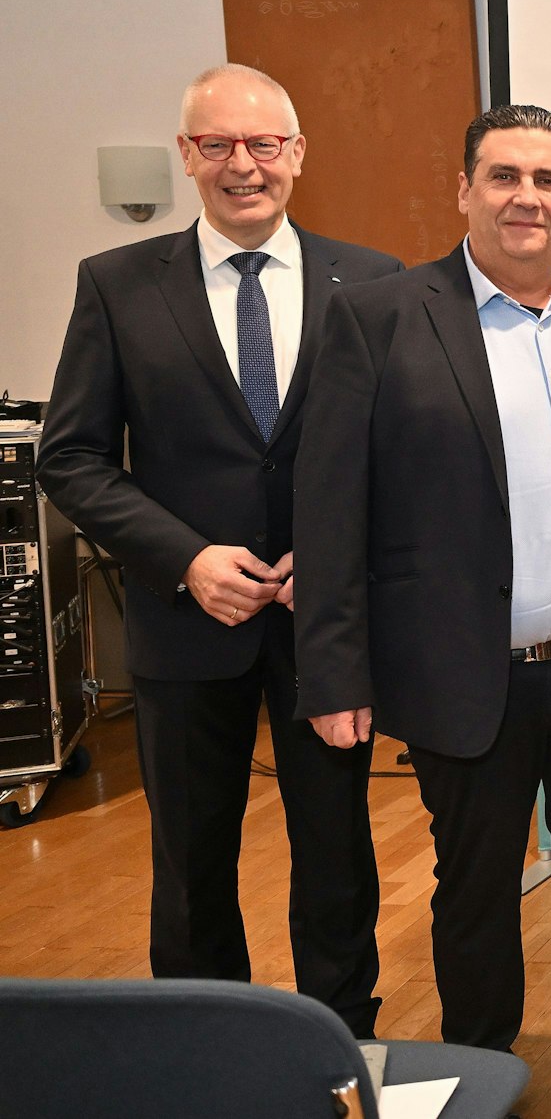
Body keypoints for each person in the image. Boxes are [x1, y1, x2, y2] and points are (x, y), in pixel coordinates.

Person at [293, 104, 551, 1119]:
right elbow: (331, 506)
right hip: (465, 669)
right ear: (464, 190)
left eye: (546, 178)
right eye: (503, 176)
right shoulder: (382, 318)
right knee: (476, 888)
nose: (526, 196)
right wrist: (335, 669)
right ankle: (480, 1070)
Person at [37, 63, 397, 1038]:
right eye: (218, 144)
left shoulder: (372, 281)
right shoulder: (117, 285)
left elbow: (403, 453)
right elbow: (69, 458)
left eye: (263, 143)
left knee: (338, 854)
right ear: (187, 155)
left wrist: (339, 558)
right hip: (185, 626)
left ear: (297, 154)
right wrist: (186, 559)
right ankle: (207, 1047)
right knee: (192, 863)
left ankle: (343, 1040)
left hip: (326, 628)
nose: (244, 164)